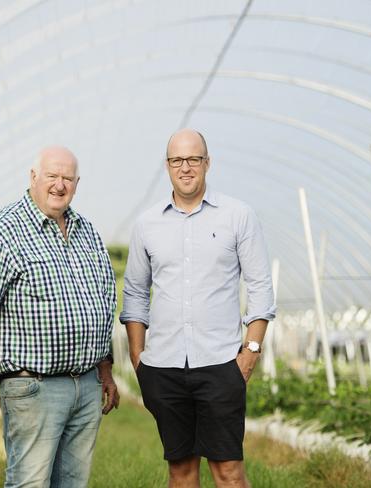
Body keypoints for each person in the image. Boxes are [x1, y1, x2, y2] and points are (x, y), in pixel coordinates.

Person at [120, 129, 276, 487]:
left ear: (207, 163)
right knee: (181, 470)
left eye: (194, 159)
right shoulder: (147, 225)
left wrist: (250, 352)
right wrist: (138, 357)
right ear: (167, 166)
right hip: (164, 367)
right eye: (177, 160)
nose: (185, 167)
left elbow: (260, 287)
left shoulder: (238, 215)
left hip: (222, 364)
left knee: (229, 471)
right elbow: (135, 293)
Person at [0, 146, 119, 488]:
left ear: (77, 183)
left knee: (73, 483)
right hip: (34, 387)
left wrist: (105, 369)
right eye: (52, 176)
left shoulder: (86, 231)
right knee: (30, 483)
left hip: (86, 386)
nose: (59, 185)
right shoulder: (1, 231)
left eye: (67, 178)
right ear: (33, 177)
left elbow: (104, 302)